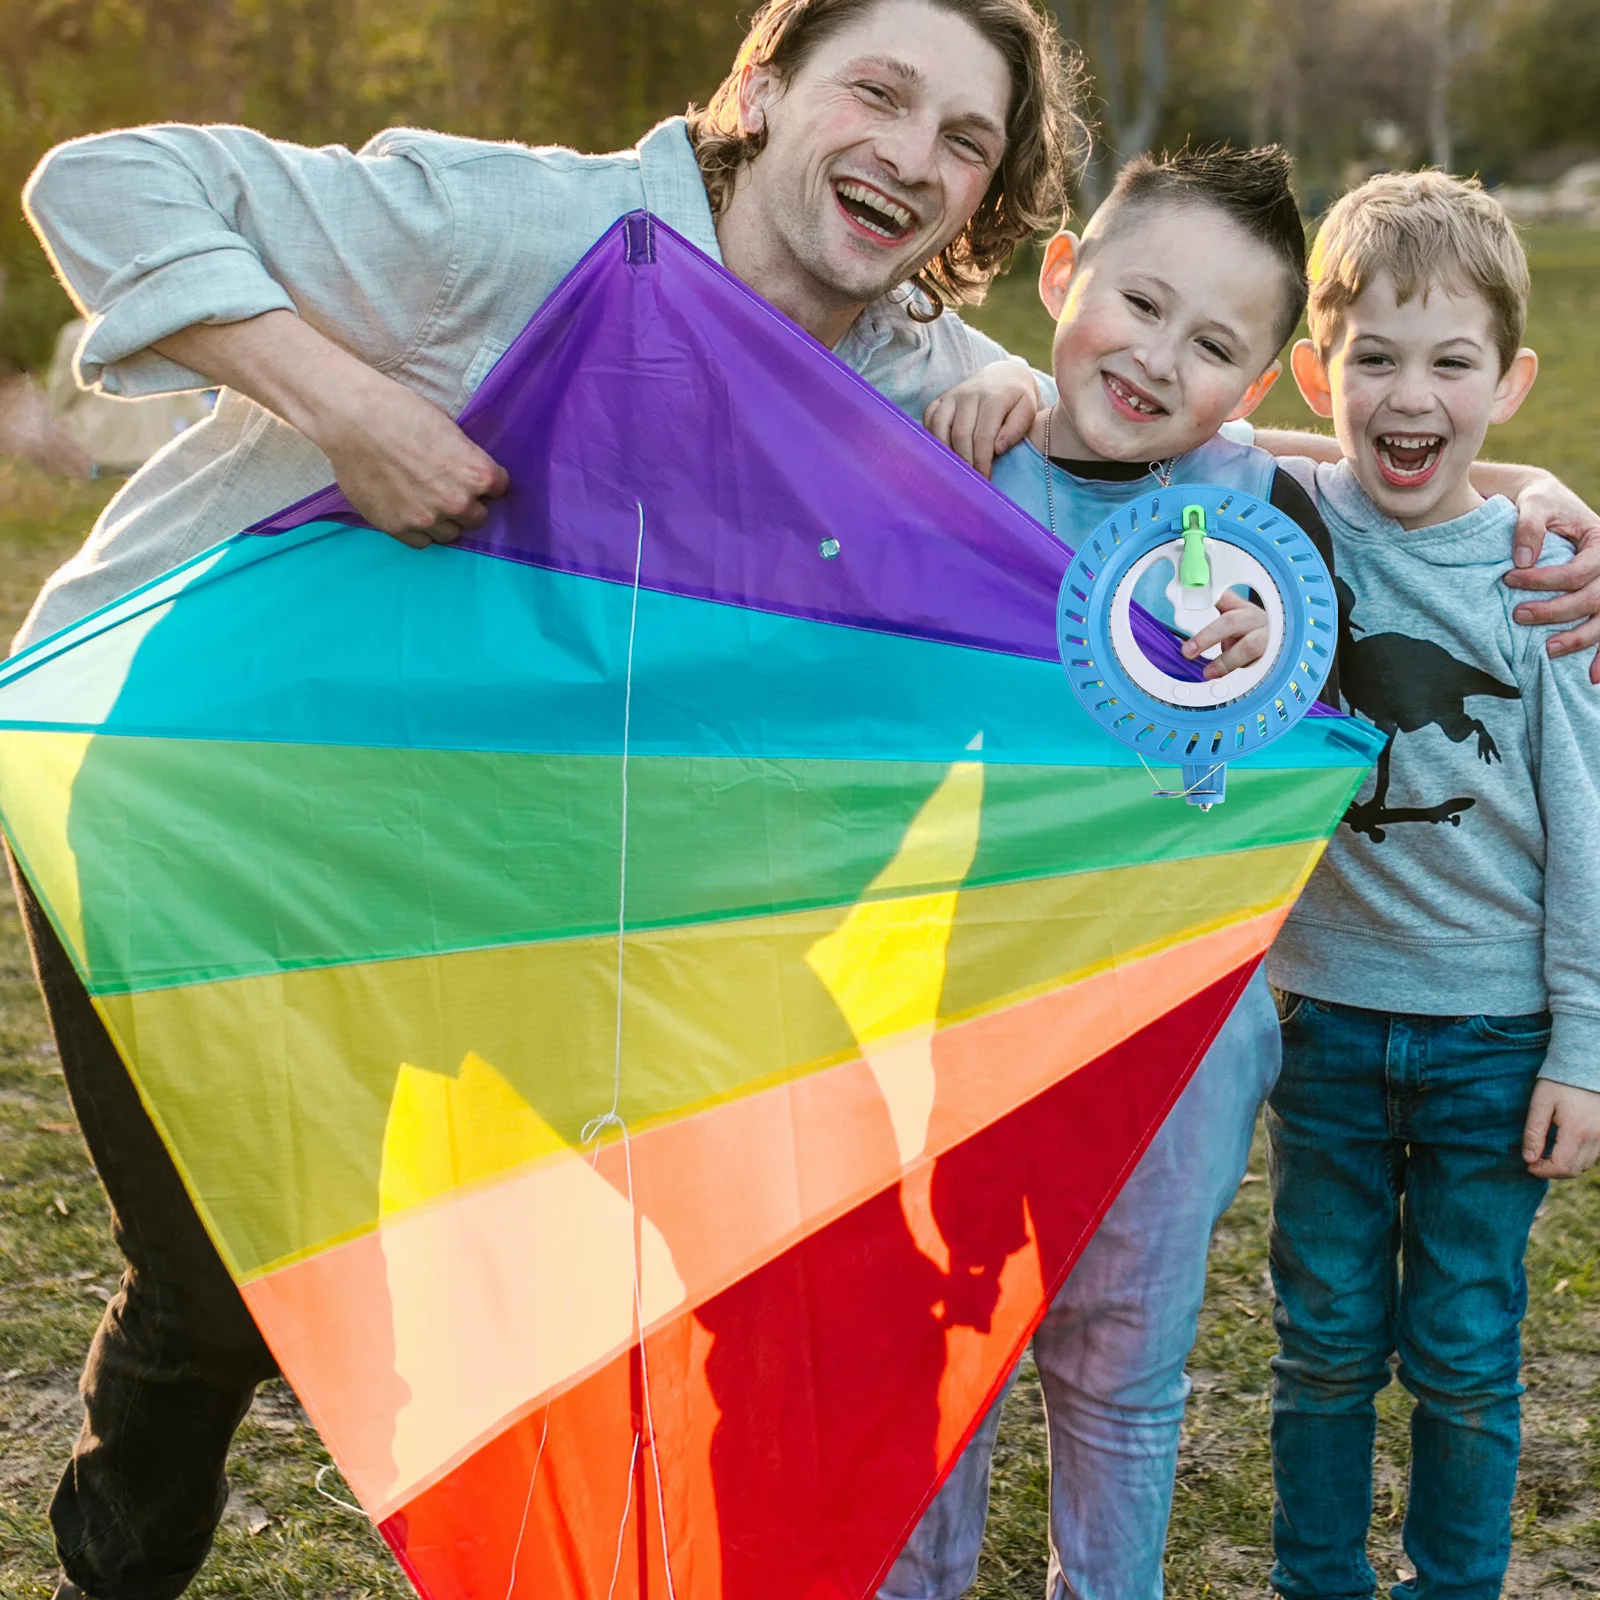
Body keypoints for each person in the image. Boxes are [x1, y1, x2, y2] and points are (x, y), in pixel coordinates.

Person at [15, 5, 1084, 1595]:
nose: (911, 159)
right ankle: (116, 1569)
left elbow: (1155, 430)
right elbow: (101, 184)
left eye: (964, 140)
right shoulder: (519, 229)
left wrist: (1494, 489)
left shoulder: (918, 369)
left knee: (769, 1198)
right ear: (766, 88)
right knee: (225, 1293)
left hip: (501, 848)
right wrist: (353, 408)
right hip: (188, 792)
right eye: (879, 93)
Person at [884, 141, 1330, 1600]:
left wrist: (1534, 491)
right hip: (979, 1009)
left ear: (1254, 387)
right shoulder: (967, 463)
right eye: (1137, 303)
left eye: (1212, 346)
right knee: (945, 1356)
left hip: (1184, 1040)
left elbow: (1430, 498)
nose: (1156, 359)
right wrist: (999, 399)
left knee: (1125, 1369)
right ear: (1060, 273)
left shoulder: (1274, 524)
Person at [1263, 170, 1600, 1600]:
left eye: (1451, 362)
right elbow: (1175, 432)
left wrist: (1583, 1040)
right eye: (1374, 359)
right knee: (1323, 1338)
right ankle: (1316, 1580)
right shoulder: (1276, 518)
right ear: (1313, 370)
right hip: (1321, 1027)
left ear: (1510, 380)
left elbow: (1585, 821)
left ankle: (1456, 1584)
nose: (1412, 396)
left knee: (1464, 1348)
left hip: (1491, 1039)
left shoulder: (1542, 578)